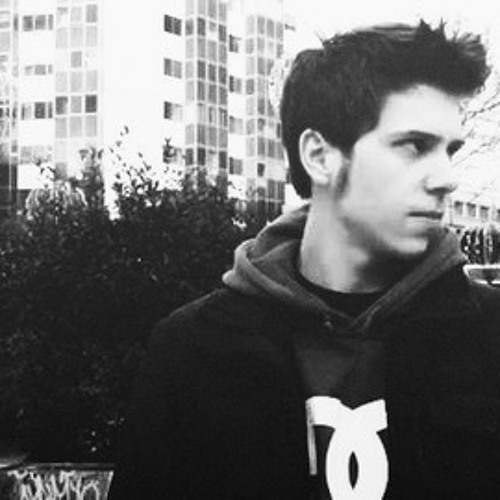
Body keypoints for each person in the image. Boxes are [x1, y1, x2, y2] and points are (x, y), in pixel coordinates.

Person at [108, 20, 500, 499]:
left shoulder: (488, 338)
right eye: (414, 146)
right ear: (319, 155)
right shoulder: (192, 351)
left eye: (449, 150)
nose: (446, 177)